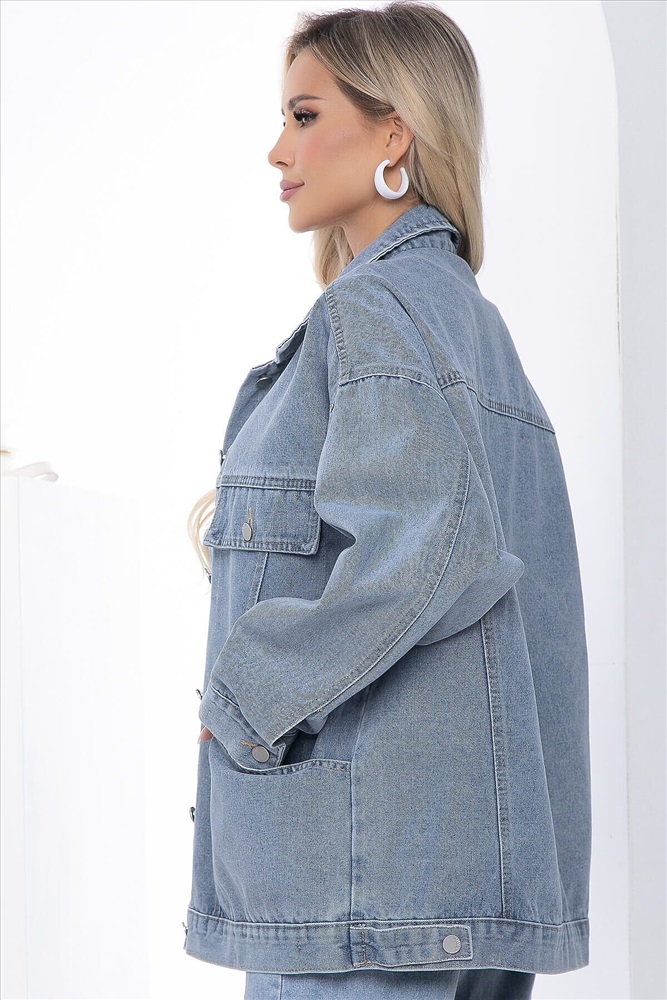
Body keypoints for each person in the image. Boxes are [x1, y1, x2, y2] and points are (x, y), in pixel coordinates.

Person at [183, 3, 592, 998]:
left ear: (393, 133)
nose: (278, 149)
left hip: (359, 897)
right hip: (462, 880)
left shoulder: (374, 312)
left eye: (305, 115)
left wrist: (247, 698)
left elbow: (432, 546)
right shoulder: (467, 322)